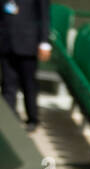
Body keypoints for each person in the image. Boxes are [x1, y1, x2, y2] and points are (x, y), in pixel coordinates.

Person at [0, 0, 50, 132]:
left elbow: (44, 17)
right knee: (7, 84)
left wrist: (44, 42)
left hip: (27, 44)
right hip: (6, 44)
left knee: (28, 84)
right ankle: (9, 119)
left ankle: (32, 118)